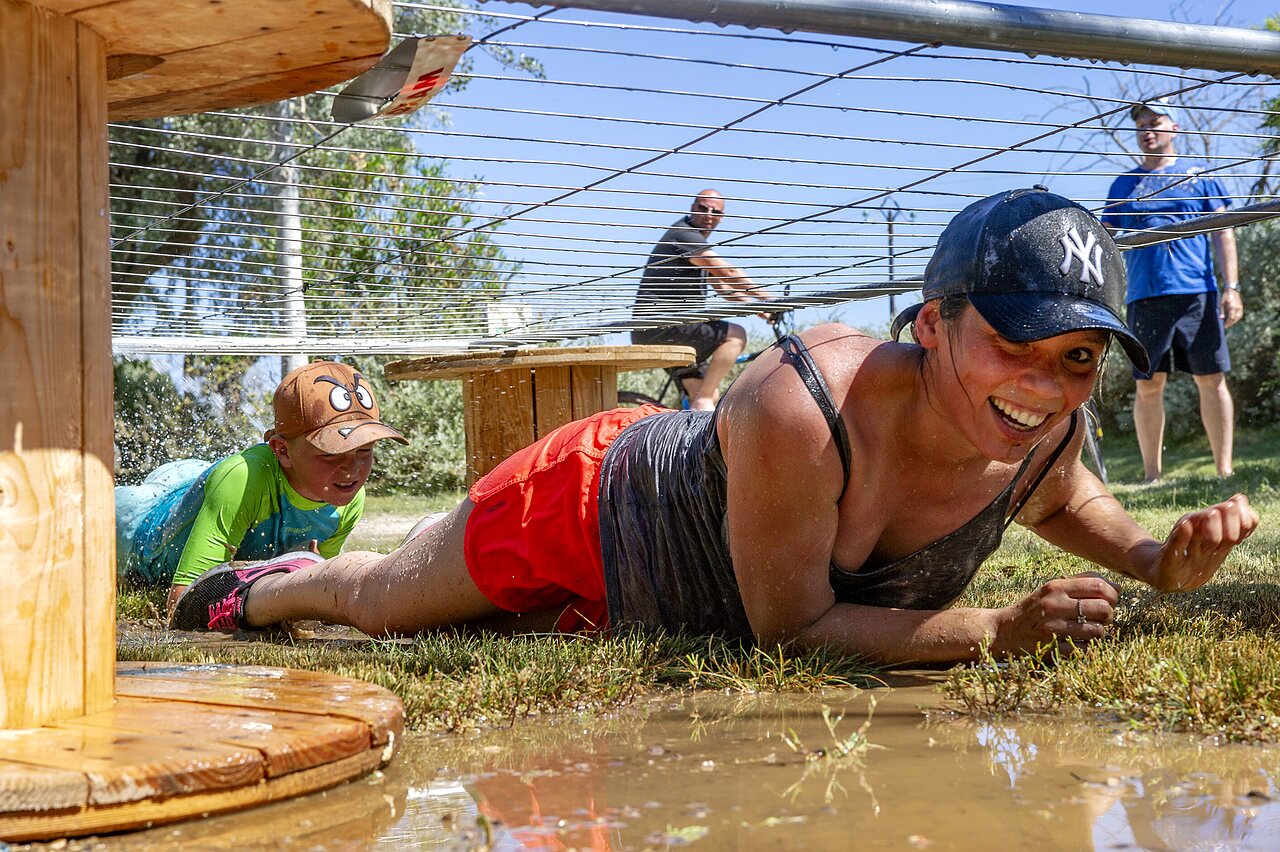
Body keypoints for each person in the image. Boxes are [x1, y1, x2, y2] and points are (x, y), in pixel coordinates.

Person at [171, 188, 1257, 665]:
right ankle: (265, 585)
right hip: (592, 504)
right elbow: (794, 631)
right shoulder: (803, 401)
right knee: (382, 609)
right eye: (1013, 339)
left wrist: (1157, 560)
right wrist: (995, 631)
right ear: (932, 323)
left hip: (672, 597)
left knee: (480, 629)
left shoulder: (1045, 430)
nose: (1043, 384)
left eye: (1076, 357)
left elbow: (1075, 504)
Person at [116, 360, 407, 614]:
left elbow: (322, 586)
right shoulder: (240, 481)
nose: (352, 469)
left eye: (364, 450)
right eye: (332, 453)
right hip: (141, 518)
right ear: (282, 451)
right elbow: (183, 603)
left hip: (210, 483)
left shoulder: (350, 498)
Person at [1102, 99, 1243, 481]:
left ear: (1174, 128)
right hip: (1144, 296)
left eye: (1155, 123)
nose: (1146, 131)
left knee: (1212, 379)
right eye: (1140, 126)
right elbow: (1105, 242)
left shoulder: (1199, 176)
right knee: (1148, 384)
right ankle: (1152, 475)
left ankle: (1225, 471)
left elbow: (1224, 233)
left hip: (1197, 293)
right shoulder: (1123, 184)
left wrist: (1231, 287)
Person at [631, 189, 773, 410]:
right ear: (692, 208)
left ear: (721, 217)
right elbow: (728, 272)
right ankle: (703, 399)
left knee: (703, 393)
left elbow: (725, 289)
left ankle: (692, 419)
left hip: (657, 331)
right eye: (703, 208)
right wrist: (771, 300)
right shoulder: (684, 234)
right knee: (736, 335)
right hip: (664, 326)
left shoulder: (697, 249)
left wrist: (760, 310)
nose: (708, 215)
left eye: (715, 212)